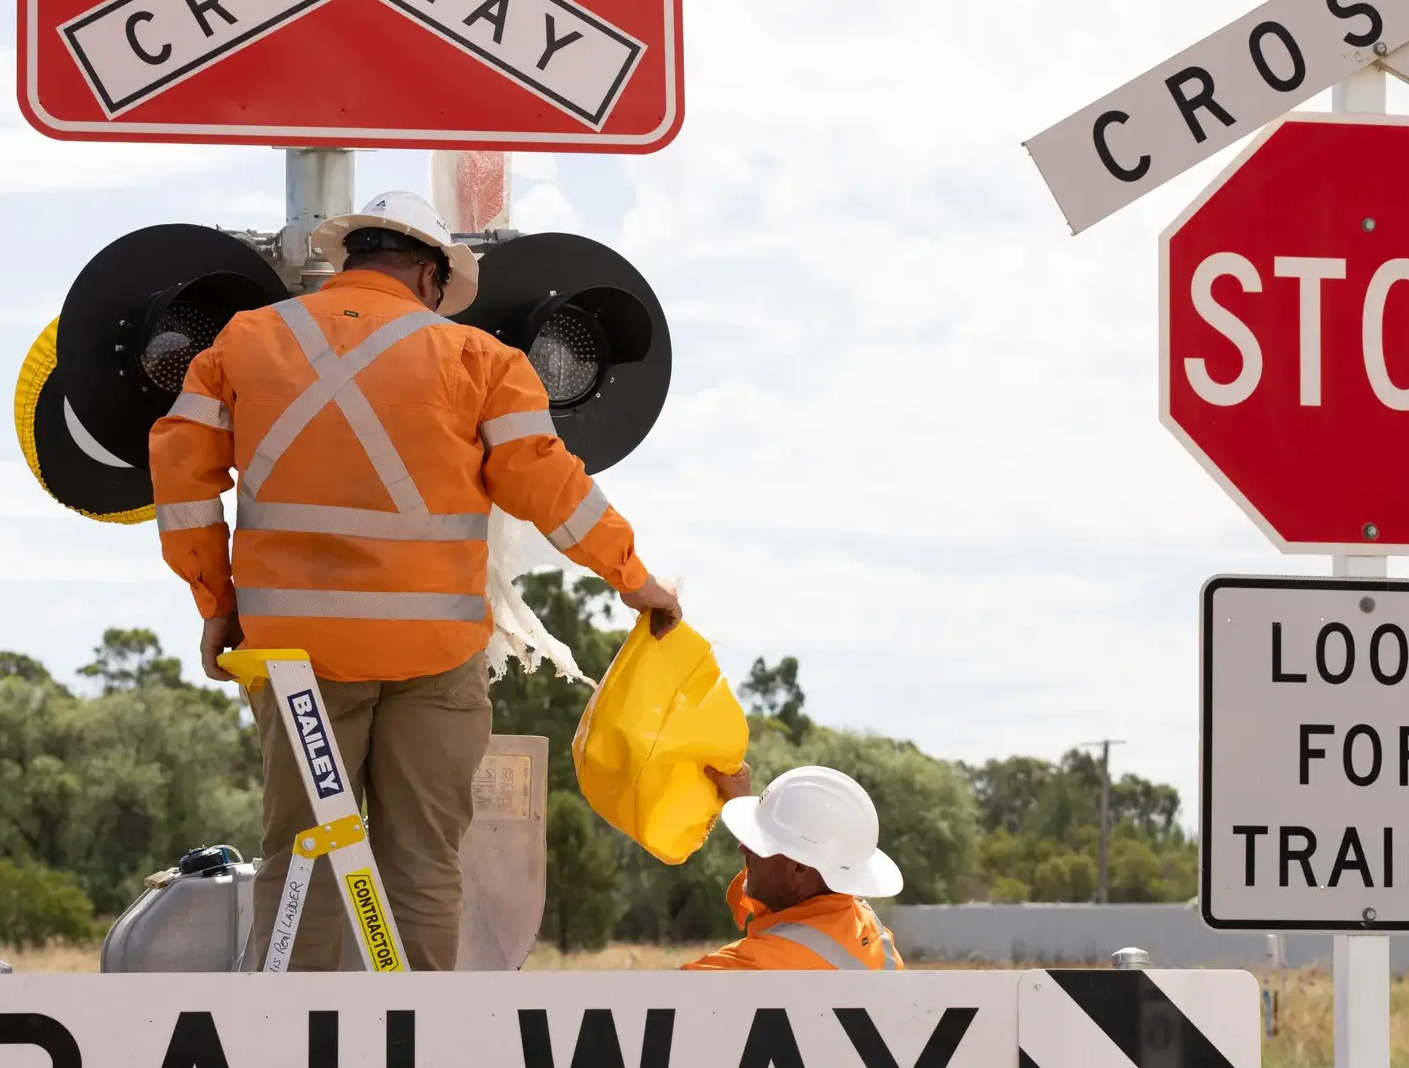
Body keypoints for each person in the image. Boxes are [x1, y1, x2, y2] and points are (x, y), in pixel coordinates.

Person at [149, 190, 677, 971]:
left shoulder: (244, 341)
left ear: (347, 259)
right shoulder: (480, 361)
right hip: (433, 656)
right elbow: (547, 483)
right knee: (424, 868)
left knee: (304, 857)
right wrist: (633, 578)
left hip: (300, 658)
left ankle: (289, 1051)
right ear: (432, 277)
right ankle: (421, 1050)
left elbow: (183, 480)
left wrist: (216, 603)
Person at [684, 764, 906, 970]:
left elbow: (655, 1003)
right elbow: (785, 894)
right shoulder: (862, 922)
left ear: (799, 868)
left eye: (762, 845)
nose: (743, 848)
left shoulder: (754, 965)